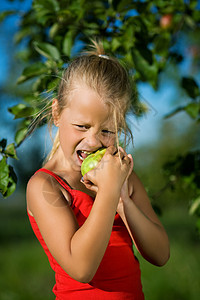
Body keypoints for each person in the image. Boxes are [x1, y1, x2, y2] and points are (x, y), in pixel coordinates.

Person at [26, 41, 170, 300]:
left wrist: (122, 198)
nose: (93, 141)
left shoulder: (120, 176)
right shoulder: (46, 186)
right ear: (57, 113)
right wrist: (109, 193)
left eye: (107, 131)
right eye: (81, 126)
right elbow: (82, 268)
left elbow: (160, 255)